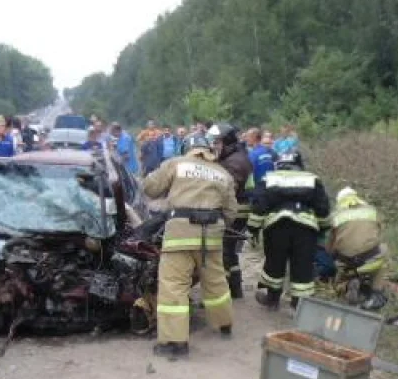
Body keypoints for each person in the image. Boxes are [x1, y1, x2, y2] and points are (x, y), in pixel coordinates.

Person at [142, 134, 238, 359]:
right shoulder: (222, 173)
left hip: (180, 233)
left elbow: (150, 188)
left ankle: (175, 342)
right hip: (211, 236)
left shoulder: (176, 163)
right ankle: (224, 325)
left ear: (187, 148)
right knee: (215, 280)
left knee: (174, 285)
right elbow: (231, 211)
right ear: (208, 150)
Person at [249, 151, 331, 310]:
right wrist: (323, 228)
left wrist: (253, 228)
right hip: (305, 230)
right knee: (303, 266)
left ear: (278, 164)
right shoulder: (312, 179)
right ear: (299, 164)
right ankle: (299, 305)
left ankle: (272, 300)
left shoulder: (269, 178)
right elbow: (322, 207)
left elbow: (259, 206)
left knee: (274, 263)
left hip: (277, 227)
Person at [209, 122, 253, 299]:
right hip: (238, 209)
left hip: (236, 211)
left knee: (223, 251)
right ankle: (235, 290)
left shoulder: (234, 162)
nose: (214, 146)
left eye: (217, 142)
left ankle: (222, 292)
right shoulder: (233, 157)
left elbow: (227, 191)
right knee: (230, 250)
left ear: (226, 142)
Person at [327, 187, 388, 309]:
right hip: (369, 256)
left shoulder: (335, 216)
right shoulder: (371, 211)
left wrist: (334, 259)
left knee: (339, 281)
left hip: (346, 260)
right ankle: (376, 294)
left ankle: (346, 285)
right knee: (383, 252)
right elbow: (380, 233)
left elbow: (330, 245)